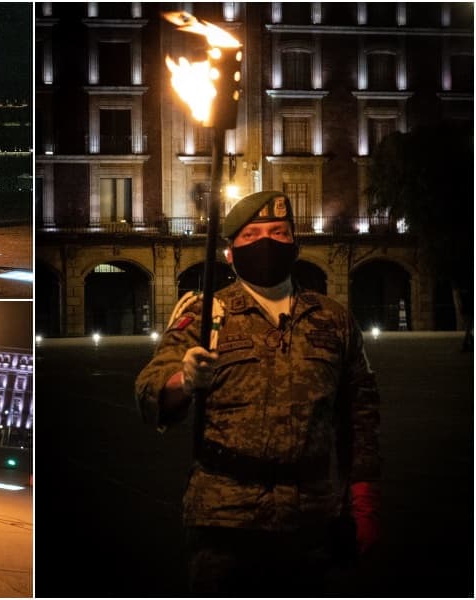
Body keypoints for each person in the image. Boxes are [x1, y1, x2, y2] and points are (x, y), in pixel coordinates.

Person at [134, 191, 381, 596]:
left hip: (311, 519)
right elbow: (148, 390)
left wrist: (364, 496)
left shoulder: (333, 319)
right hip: (224, 518)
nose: (266, 243)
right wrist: (184, 378)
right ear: (230, 254)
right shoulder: (203, 314)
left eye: (278, 232)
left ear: (295, 245)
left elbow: (361, 412)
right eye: (250, 236)